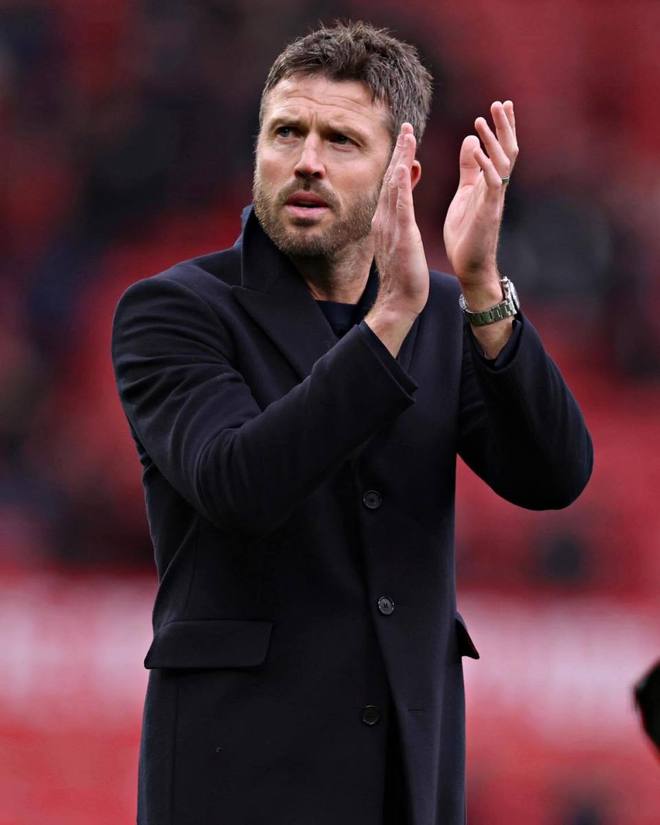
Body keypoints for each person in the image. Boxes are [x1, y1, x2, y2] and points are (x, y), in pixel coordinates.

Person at [111, 20, 593, 825]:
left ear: (404, 172)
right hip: (237, 783)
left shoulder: (445, 314)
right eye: (285, 132)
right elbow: (239, 483)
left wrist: (482, 288)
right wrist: (391, 318)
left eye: (340, 140)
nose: (306, 160)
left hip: (406, 779)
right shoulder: (173, 310)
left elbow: (555, 474)